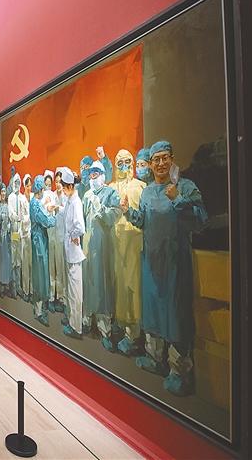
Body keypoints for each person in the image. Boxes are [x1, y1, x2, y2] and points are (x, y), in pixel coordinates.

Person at [122, 140, 207, 396]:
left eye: (164, 158)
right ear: (150, 164)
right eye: (155, 159)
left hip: (175, 265)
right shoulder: (148, 192)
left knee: (176, 315)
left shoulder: (185, 187)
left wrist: (178, 199)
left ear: (172, 159)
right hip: (151, 264)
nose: (160, 163)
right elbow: (143, 221)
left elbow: (201, 220)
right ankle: (155, 358)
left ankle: (179, 371)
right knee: (153, 311)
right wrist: (128, 212)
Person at [110, 149, 147, 355]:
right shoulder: (111, 188)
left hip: (134, 242)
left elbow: (143, 217)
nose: (124, 166)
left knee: (133, 286)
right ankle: (121, 326)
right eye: (120, 162)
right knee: (119, 285)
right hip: (115, 244)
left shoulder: (140, 187)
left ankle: (134, 334)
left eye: (127, 161)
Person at [82, 160, 122, 351]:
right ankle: (87, 320)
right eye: (91, 174)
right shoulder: (87, 195)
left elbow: (115, 215)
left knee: (102, 283)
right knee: (88, 281)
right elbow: (82, 219)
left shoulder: (110, 193)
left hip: (104, 245)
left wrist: (101, 209)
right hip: (88, 244)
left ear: (103, 175)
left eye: (96, 173)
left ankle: (105, 329)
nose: (93, 177)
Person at [59, 168, 85, 338]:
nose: (62, 190)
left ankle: (76, 327)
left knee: (75, 291)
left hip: (74, 253)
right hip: (69, 250)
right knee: (71, 288)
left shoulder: (76, 202)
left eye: (63, 187)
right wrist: (57, 208)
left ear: (70, 186)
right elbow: (66, 213)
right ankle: (71, 319)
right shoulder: (70, 200)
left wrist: (74, 236)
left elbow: (80, 227)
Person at [29, 175, 57, 326]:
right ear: (39, 189)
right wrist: (54, 217)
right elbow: (45, 220)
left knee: (40, 272)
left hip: (39, 239)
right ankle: (39, 311)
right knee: (40, 273)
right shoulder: (35, 204)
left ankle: (39, 307)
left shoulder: (35, 202)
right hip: (39, 240)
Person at [43, 170, 66, 313]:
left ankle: (61, 298)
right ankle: (51, 297)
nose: (58, 184)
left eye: (60, 182)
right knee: (52, 268)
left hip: (62, 237)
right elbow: (45, 209)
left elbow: (68, 213)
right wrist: (49, 208)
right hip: (51, 235)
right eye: (56, 182)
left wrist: (59, 208)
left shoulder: (66, 197)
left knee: (61, 268)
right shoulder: (50, 195)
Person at [7, 174, 24, 297]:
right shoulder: (11, 197)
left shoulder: (22, 197)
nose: (17, 184)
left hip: (21, 229)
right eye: (15, 182)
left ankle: (19, 285)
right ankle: (13, 285)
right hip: (14, 229)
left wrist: (21, 220)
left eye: (18, 182)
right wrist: (16, 217)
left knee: (19, 256)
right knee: (14, 255)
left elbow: (24, 211)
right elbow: (11, 211)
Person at [0, 183, 12, 297]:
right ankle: (1, 284)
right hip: (2, 236)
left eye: (4, 191)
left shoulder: (8, 205)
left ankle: (7, 284)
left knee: (7, 260)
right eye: (1, 191)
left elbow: (10, 219)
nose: (3, 193)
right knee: (2, 260)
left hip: (8, 236)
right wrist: (1, 218)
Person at [18, 175, 32, 301]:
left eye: (30, 185)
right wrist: (30, 217)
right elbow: (21, 217)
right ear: (24, 186)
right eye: (27, 185)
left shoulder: (33, 197)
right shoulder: (21, 199)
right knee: (25, 263)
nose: (29, 188)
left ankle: (32, 290)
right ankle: (26, 290)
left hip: (32, 235)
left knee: (32, 262)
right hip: (23, 234)